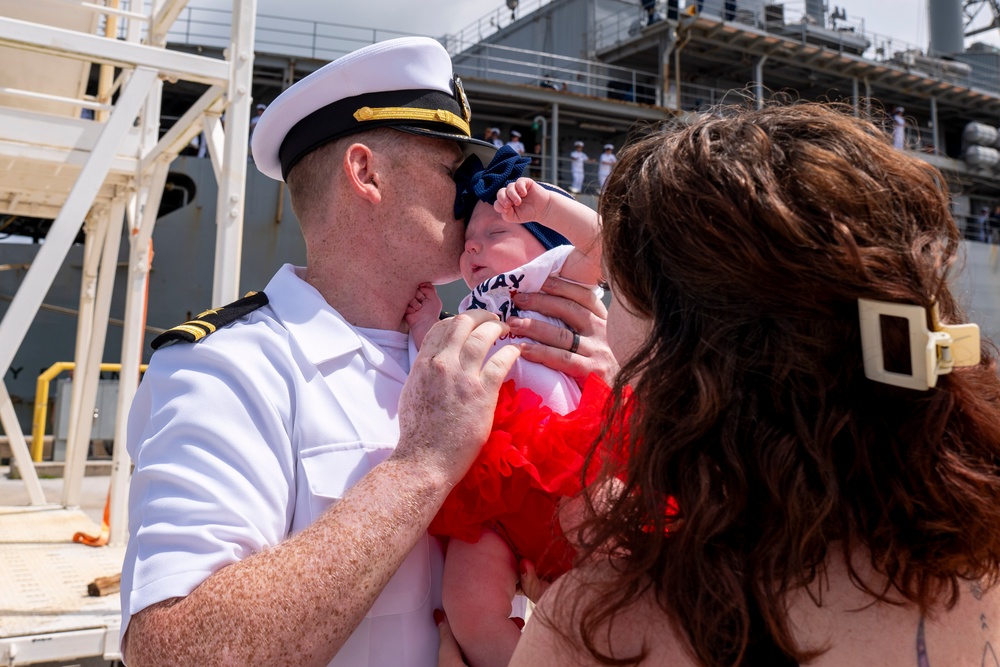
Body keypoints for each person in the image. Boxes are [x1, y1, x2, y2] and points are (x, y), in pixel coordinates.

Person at [438, 102, 1000, 666]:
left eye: (624, 282)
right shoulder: (979, 556)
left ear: (683, 349)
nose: (605, 298)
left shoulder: (599, 623)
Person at [119, 36, 615, 667]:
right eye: (454, 173)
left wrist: (606, 388)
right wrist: (422, 464)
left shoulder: (493, 338)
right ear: (366, 173)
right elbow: (174, 653)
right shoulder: (227, 369)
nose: (475, 194)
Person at [405, 146, 603, 667]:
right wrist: (428, 322)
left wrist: (546, 207)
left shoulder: (551, 276)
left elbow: (605, 243)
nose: (475, 249)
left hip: (568, 462)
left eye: (496, 234)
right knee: (468, 605)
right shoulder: (468, 306)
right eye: (469, 242)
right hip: (491, 474)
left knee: (609, 585)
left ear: (543, 243)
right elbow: (444, 360)